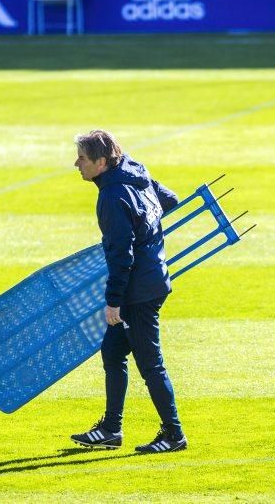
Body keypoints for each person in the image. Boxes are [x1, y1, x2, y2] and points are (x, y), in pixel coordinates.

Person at [69, 129, 187, 454]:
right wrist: (148, 234)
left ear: (101, 162)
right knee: (113, 352)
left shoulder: (110, 197)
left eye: (83, 158)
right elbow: (170, 200)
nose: (76, 163)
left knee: (151, 365)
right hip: (152, 278)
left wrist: (113, 302)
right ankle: (111, 429)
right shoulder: (136, 171)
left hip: (138, 291)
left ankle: (173, 434)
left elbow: (122, 255)